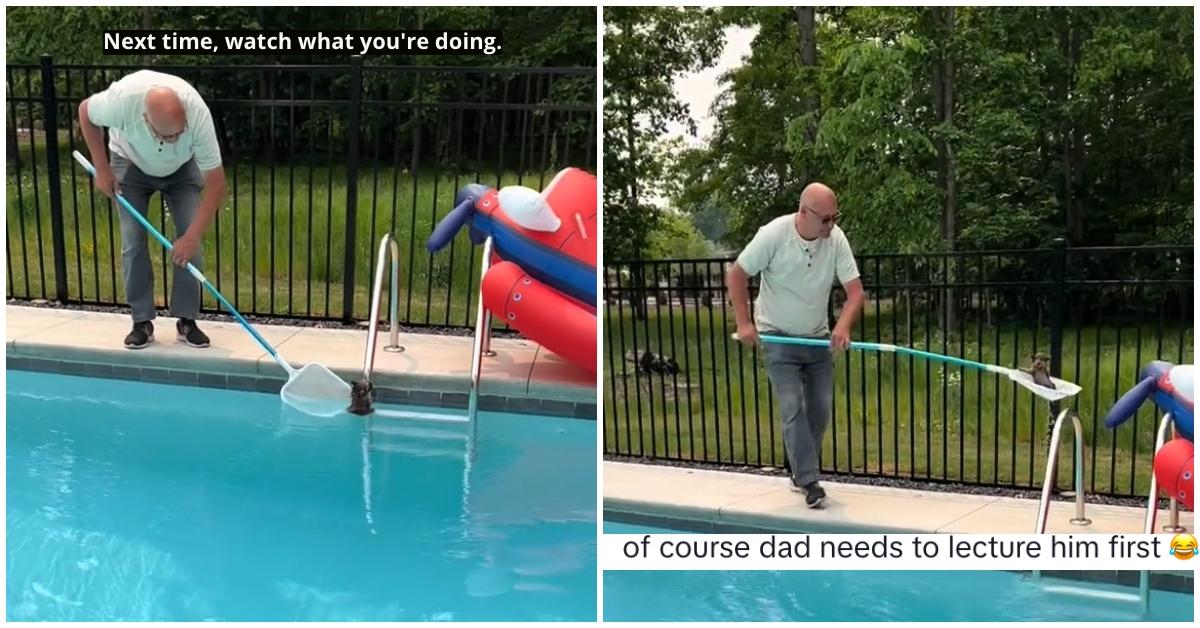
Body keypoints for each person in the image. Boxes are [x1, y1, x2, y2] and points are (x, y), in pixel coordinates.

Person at [727, 183, 865, 508]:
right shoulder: (774, 235)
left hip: (816, 337)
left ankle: (797, 468)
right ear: (804, 213)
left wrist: (842, 326)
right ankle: (808, 480)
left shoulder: (836, 240)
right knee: (793, 406)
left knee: (819, 409)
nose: (831, 226)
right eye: (826, 219)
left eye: (835, 218)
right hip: (777, 336)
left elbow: (855, 292)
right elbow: (737, 274)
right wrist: (745, 323)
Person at [78, 70, 226, 349]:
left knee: (189, 241)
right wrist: (102, 168)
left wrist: (191, 237)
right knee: (133, 241)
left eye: (178, 134)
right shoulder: (122, 102)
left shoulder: (197, 115)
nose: (174, 139)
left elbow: (217, 186)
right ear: (146, 120)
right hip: (130, 162)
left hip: (182, 168)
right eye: (167, 136)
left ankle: (187, 320)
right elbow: (85, 111)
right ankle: (141, 321)